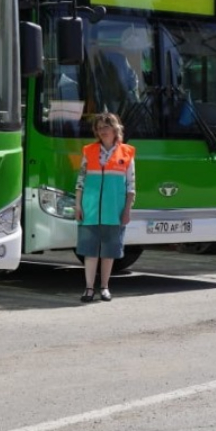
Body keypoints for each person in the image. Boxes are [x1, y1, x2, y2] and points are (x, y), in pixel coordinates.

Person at [75, 112, 135, 301]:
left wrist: (127, 210)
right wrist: (78, 205)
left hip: (114, 210)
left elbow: (131, 186)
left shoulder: (127, 153)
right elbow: (80, 181)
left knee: (109, 252)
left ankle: (105, 287)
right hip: (90, 209)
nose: (102, 131)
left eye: (105, 127)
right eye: (99, 128)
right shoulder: (89, 151)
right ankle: (88, 288)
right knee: (89, 251)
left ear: (115, 129)